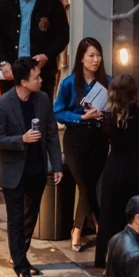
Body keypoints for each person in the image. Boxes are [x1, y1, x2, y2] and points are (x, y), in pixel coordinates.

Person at [0, 56, 63, 277]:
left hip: (37, 169)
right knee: (15, 219)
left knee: (30, 216)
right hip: (13, 172)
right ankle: (21, 268)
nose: (41, 80)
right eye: (36, 77)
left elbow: (51, 133)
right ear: (23, 81)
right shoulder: (2, 104)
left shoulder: (42, 99)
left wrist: (56, 166)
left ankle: (20, 255)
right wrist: (21, 139)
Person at [53, 38, 111, 263]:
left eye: (98, 55)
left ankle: (92, 224)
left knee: (90, 184)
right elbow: (58, 112)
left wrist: (103, 114)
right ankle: (83, 227)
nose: (96, 60)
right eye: (91, 56)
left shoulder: (108, 81)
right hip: (75, 139)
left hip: (98, 138)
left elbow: (115, 109)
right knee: (84, 185)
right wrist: (81, 117)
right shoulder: (69, 83)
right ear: (81, 58)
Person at [0, 0, 69, 99]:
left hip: (42, 72)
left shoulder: (51, 2)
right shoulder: (6, 2)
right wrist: (3, 62)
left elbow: (63, 35)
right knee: (12, 110)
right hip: (12, 71)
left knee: (41, 108)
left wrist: (47, 55)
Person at [96, 74, 139, 252]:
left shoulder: (108, 118)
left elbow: (104, 142)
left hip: (115, 168)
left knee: (111, 216)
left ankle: (109, 256)